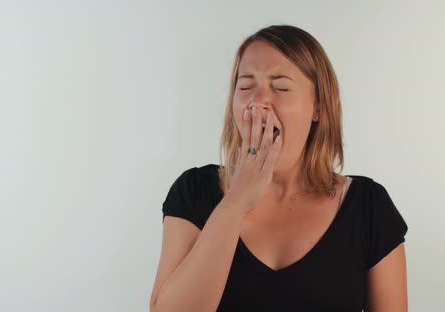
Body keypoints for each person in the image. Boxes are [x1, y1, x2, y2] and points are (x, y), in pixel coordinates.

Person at [150, 25, 408, 312]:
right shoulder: (193, 192)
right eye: (245, 86)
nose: (258, 102)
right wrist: (235, 203)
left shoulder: (369, 207)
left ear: (318, 107)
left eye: (281, 87)